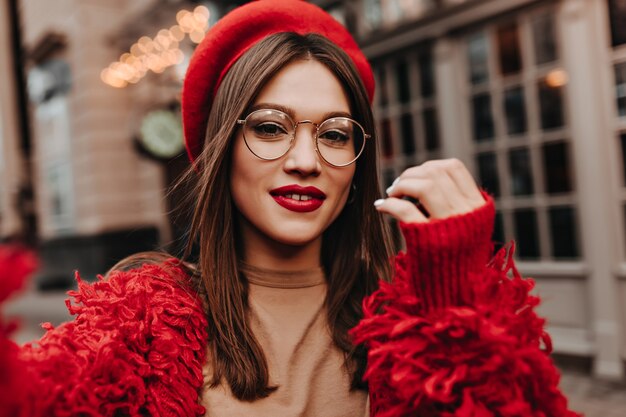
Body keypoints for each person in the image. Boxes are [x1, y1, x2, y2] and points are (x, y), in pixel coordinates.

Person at [0, 1, 580, 416]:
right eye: (272, 128)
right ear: (221, 154)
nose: (306, 160)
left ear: (357, 167)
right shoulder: (135, 327)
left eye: (333, 134)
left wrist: (454, 308)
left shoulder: (404, 318)